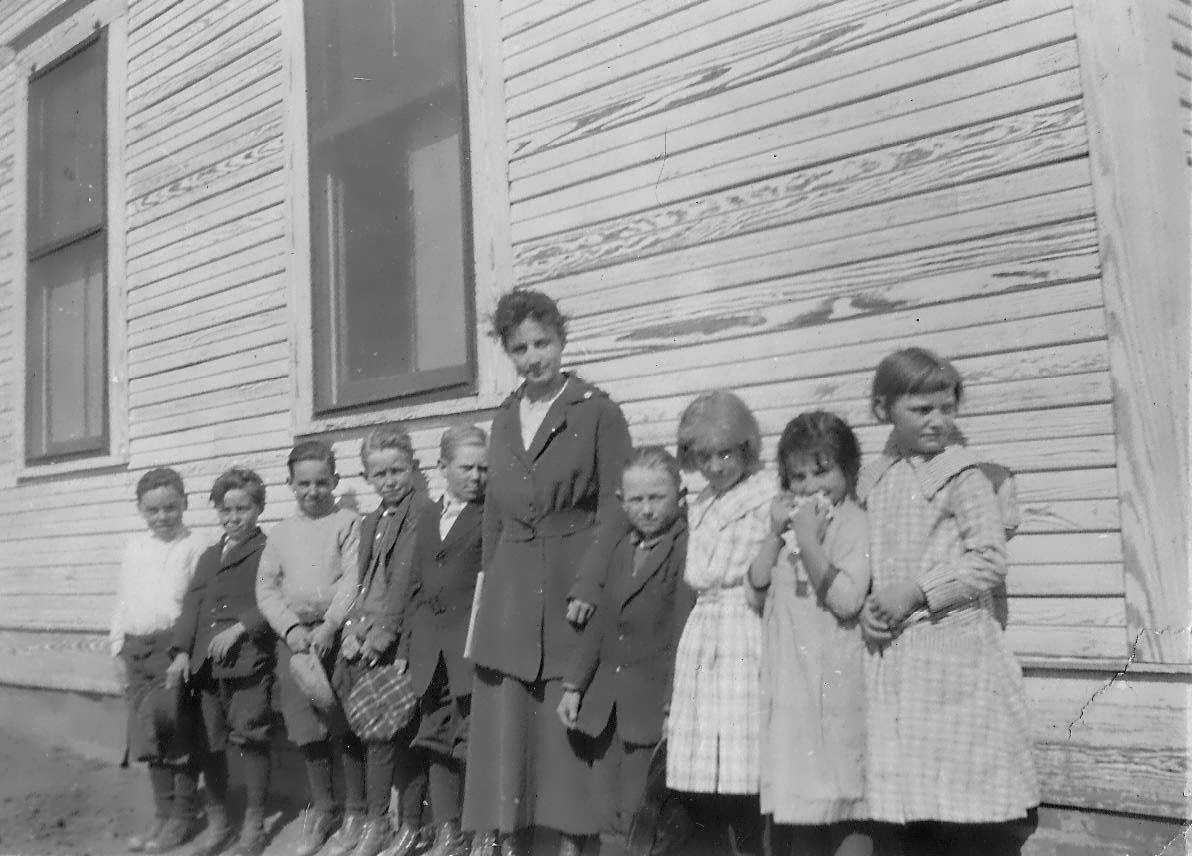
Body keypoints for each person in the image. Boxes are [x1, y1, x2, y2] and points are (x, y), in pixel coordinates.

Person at [462, 288, 633, 856]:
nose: (533, 357)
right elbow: (492, 516)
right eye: (519, 348)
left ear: (562, 341)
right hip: (511, 589)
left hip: (569, 582)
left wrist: (590, 583)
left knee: (567, 729)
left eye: (542, 343)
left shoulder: (598, 410)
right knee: (512, 731)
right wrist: (487, 593)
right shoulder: (505, 416)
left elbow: (616, 507)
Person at [857, 347, 1040, 856]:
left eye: (947, 408)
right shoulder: (873, 480)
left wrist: (917, 590)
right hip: (893, 653)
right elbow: (863, 558)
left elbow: (988, 559)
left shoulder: (963, 476)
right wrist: (869, 612)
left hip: (952, 651)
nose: (938, 421)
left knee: (961, 785)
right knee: (906, 793)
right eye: (922, 410)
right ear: (883, 410)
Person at [556, 446, 695, 856]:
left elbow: (682, 633)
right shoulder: (621, 549)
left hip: (650, 707)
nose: (647, 509)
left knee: (642, 812)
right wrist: (574, 685)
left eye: (657, 498)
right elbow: (600, 625)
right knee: (607, 809)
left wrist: (673, 706)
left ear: (680, 497)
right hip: (607, 706)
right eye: (636, 500)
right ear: (621, 502)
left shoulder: (685, 549)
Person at [746, 413, 872, 856]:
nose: (810, 485)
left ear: (849, 470)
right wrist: (775, 536)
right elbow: (756, 591)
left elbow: (846, 599)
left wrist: (810, 542)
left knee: (843, 795)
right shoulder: (795, 527)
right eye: (797, 476)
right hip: (792, 684)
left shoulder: (854, 522)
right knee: (800, 798)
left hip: (834, 679)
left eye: (823, 471)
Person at [666, 391, 772, 856]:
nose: (715, 465)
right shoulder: (702, 501)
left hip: (744, 625)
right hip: (704, 625)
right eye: (704, 456)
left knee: (742, 759)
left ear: (746, 447)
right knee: (703, 764)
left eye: (725, 453)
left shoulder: (767, 495)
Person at [255, 440, 362, 856]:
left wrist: (332, 624)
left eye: (322, 482)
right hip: (296, 641)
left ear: (335, 480)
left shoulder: (348, 522)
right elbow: (266, 589)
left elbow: (354, 578)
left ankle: (356, 811)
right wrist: (289, 628)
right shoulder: (281, 533)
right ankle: (325, 809)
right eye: (304, 483)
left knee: (343, 722)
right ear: (290, 484)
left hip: (336, 632)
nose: (313, 490)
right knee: (306, 728)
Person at [331, 424, 430, 856]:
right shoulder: (372, 521)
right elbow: (361, 583)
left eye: (397, 470)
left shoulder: (421, 513)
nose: (389, 481)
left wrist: (377, 638)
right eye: (380, 474)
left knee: (390, 737)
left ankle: (392, 825)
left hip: (396, 639)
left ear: (414, 467)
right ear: (367, 477)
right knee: (365, 731)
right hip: (363, 635)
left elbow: (405, 582)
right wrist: (351, 631)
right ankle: (372, 818)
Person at [167, 468, 275, 856]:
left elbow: (276, 598)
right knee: (209, 741)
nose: (234, 517)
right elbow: (193, 604)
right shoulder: (211, 555)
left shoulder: (268, 550)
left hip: (247, 661)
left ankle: (255, 823)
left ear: (258, 508)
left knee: (251, 735)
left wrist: (241, 628)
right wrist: (181, 651)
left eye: (243, 508)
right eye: (226, 510)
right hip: (204, 667)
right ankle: (219, 822)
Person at [392, 425, 489, 856]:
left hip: (472, 649)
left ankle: (482, 831)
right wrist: (404, 651)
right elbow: (415, 588)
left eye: (484, 468)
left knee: (474, 741)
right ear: (442, 467)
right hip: (430, 651)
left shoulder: (492, 515)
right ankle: (448, 831)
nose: (476, 476)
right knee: (435, 740)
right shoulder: (427, 516)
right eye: (466, 467)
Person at [110, 467, 209, 853]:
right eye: (153, 510)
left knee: (176, 733)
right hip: (137, 648)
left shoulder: (196, 546)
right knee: (149, 737)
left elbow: (198, 605)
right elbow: (123, 600)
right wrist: (117, 646)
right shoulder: (135, 548)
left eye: (171, 507)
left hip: (172, 649)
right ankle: (162, 814)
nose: (163, 517)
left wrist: (184, 651)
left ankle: (182, 818)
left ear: (184, 502)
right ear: (140, 510)